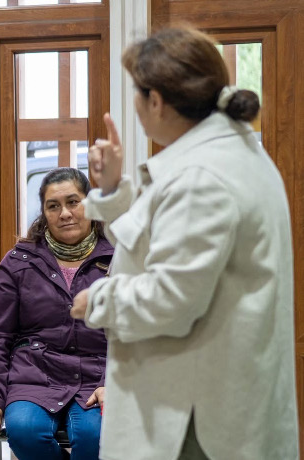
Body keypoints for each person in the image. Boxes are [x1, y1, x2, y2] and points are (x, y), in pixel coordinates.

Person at [69, 26, 299, 459]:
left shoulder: (201, 176)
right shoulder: (230, 154)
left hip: (194, 422)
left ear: (155, 100)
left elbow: (171, 299)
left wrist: (98, 300)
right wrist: (113, 190)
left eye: (136, 94)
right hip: (211, 401)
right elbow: (159, 240)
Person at [0, 168, 112, 460]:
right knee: (24, 430)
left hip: (98, 376)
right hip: (34, 377)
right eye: (53, 206)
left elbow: (134, 334)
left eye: (73, 202)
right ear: (44, 213)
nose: (65, 213)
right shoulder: (18, 262)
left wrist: (114, 383)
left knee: (95, 435)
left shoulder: (118, 257)